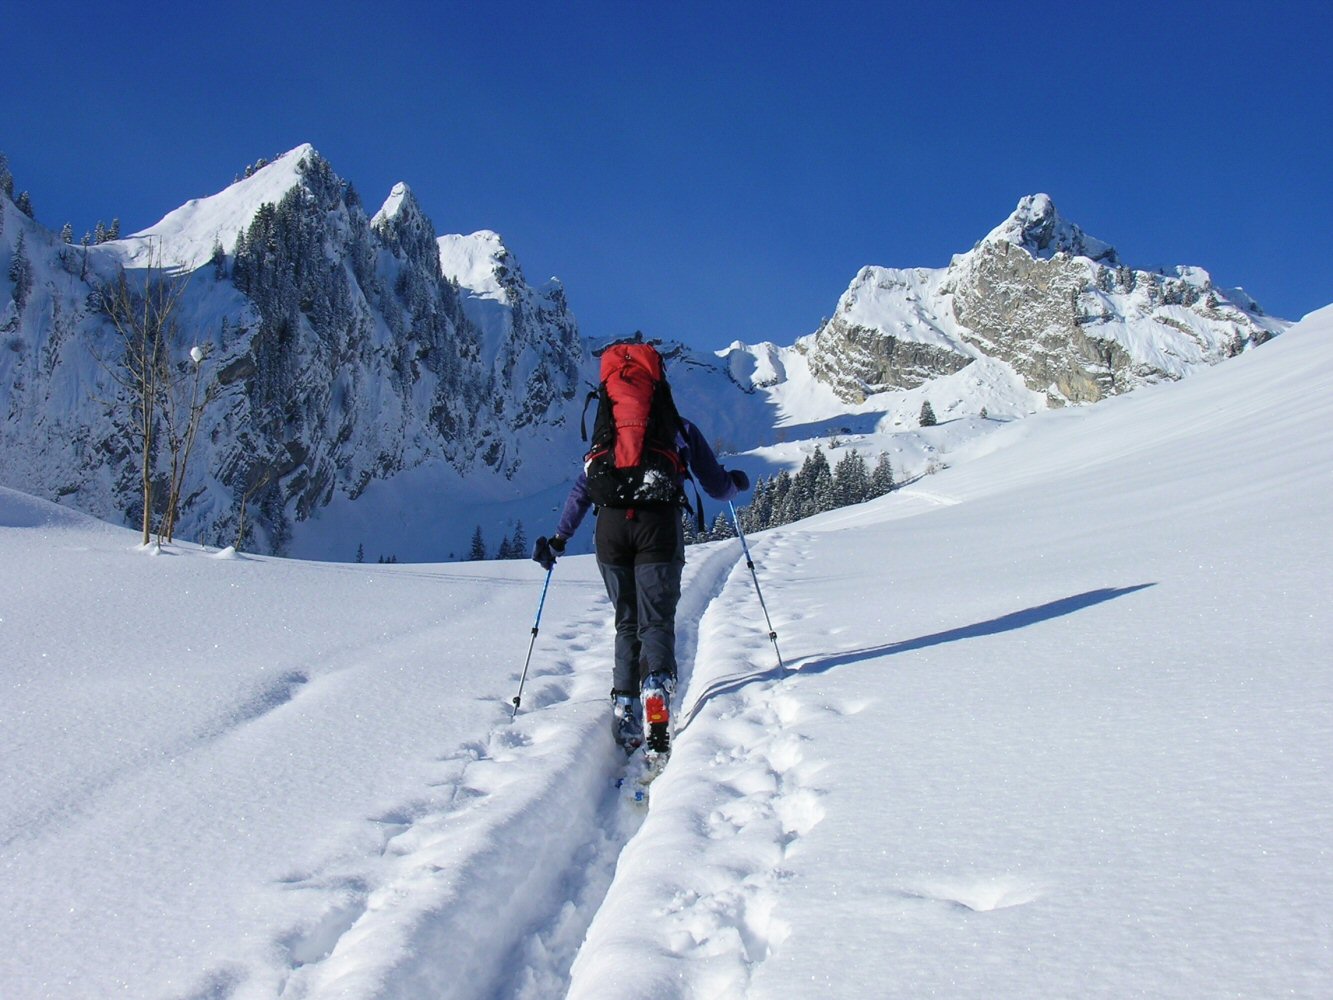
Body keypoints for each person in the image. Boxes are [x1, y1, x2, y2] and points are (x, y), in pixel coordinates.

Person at [532, 349, 749, 757]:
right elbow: (718, 488)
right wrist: (735, 483)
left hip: (611, 530)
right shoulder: (677, 428)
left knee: (626, 620)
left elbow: (582, 491)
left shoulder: (606, 435)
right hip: (659, 527)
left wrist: (559, 540)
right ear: (658, 384)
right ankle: (657, 690)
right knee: (657, 618)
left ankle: (625, 706)